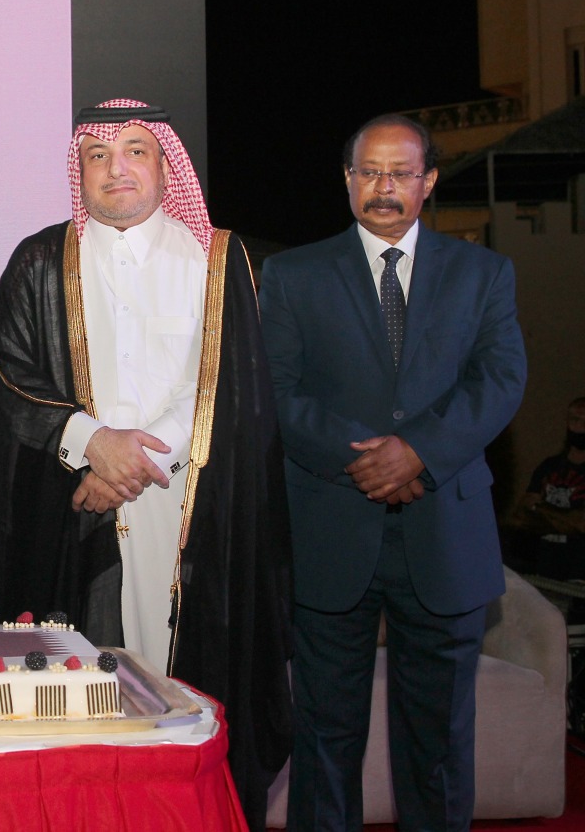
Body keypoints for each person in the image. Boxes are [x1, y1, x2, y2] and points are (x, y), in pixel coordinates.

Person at [0, 99, 292, 829]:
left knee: (191, 696)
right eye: (97, 155)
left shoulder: (227, 260)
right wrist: (91, 443)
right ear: (80, 172)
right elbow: (11, 368)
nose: (115, 168)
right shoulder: (40, 258)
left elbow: (235, 385)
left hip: (193, 504)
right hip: (79, 509)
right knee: (83, 699)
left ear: (165, 165)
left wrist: (131, 459)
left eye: (134, 150)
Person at [258, 113, 527, 831]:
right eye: (369, 172)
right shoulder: (290, 274)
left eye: (401, 173)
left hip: (446, 533)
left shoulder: (484, 272)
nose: (384, 187)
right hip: (329, 535)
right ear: (348, 181)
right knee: (325, 738)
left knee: (438, 742)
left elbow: (500, 381)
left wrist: (420, 453)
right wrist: (372, 462)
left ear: (429, 181)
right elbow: (275, 394)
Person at [509, 396, 585, 580]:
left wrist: (540, 509)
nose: (579, 427)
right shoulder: (549, 466)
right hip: (541, 565)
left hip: (577, 572)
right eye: (575, 420)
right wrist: (566, 522)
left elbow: (581, 524)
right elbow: (521, 516)